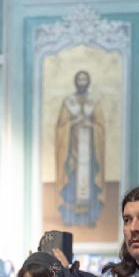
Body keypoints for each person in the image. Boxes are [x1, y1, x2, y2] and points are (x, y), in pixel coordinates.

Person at [56, 70, 107, 229]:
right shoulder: (68, 102)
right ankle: (70, 217)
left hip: (89, 152)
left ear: (88, 81)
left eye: (85, 79)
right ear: (76, 82)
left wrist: (91, 125)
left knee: (88, 183)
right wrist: (73, 123)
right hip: (72, 152)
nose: (82, 82)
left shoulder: (94, 102)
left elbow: (100, 126)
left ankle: (89, 218)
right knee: (72, 182)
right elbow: (61, 127)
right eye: (80, 79)